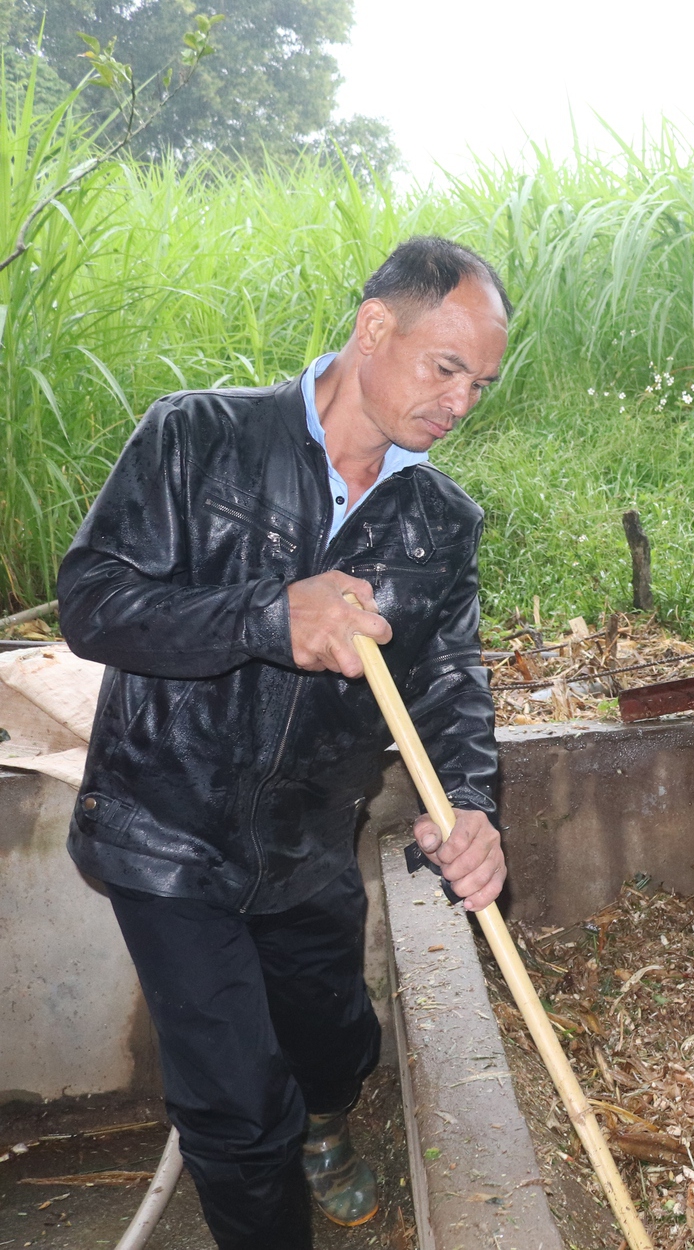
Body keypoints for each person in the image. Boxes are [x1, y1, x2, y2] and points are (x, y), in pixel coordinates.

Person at [57, 236, 512, 1248]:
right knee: (235, 1105)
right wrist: (269, 614)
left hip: (307, 837)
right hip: (164, 830)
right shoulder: (196, 436)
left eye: (480, 383)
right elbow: (93, 603)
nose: (460, 402)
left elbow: (447, 678)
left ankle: (327, 1122)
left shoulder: (440, 519)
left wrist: (471, 802)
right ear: (373, 326)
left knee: (332, 1035)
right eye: (445, 369)